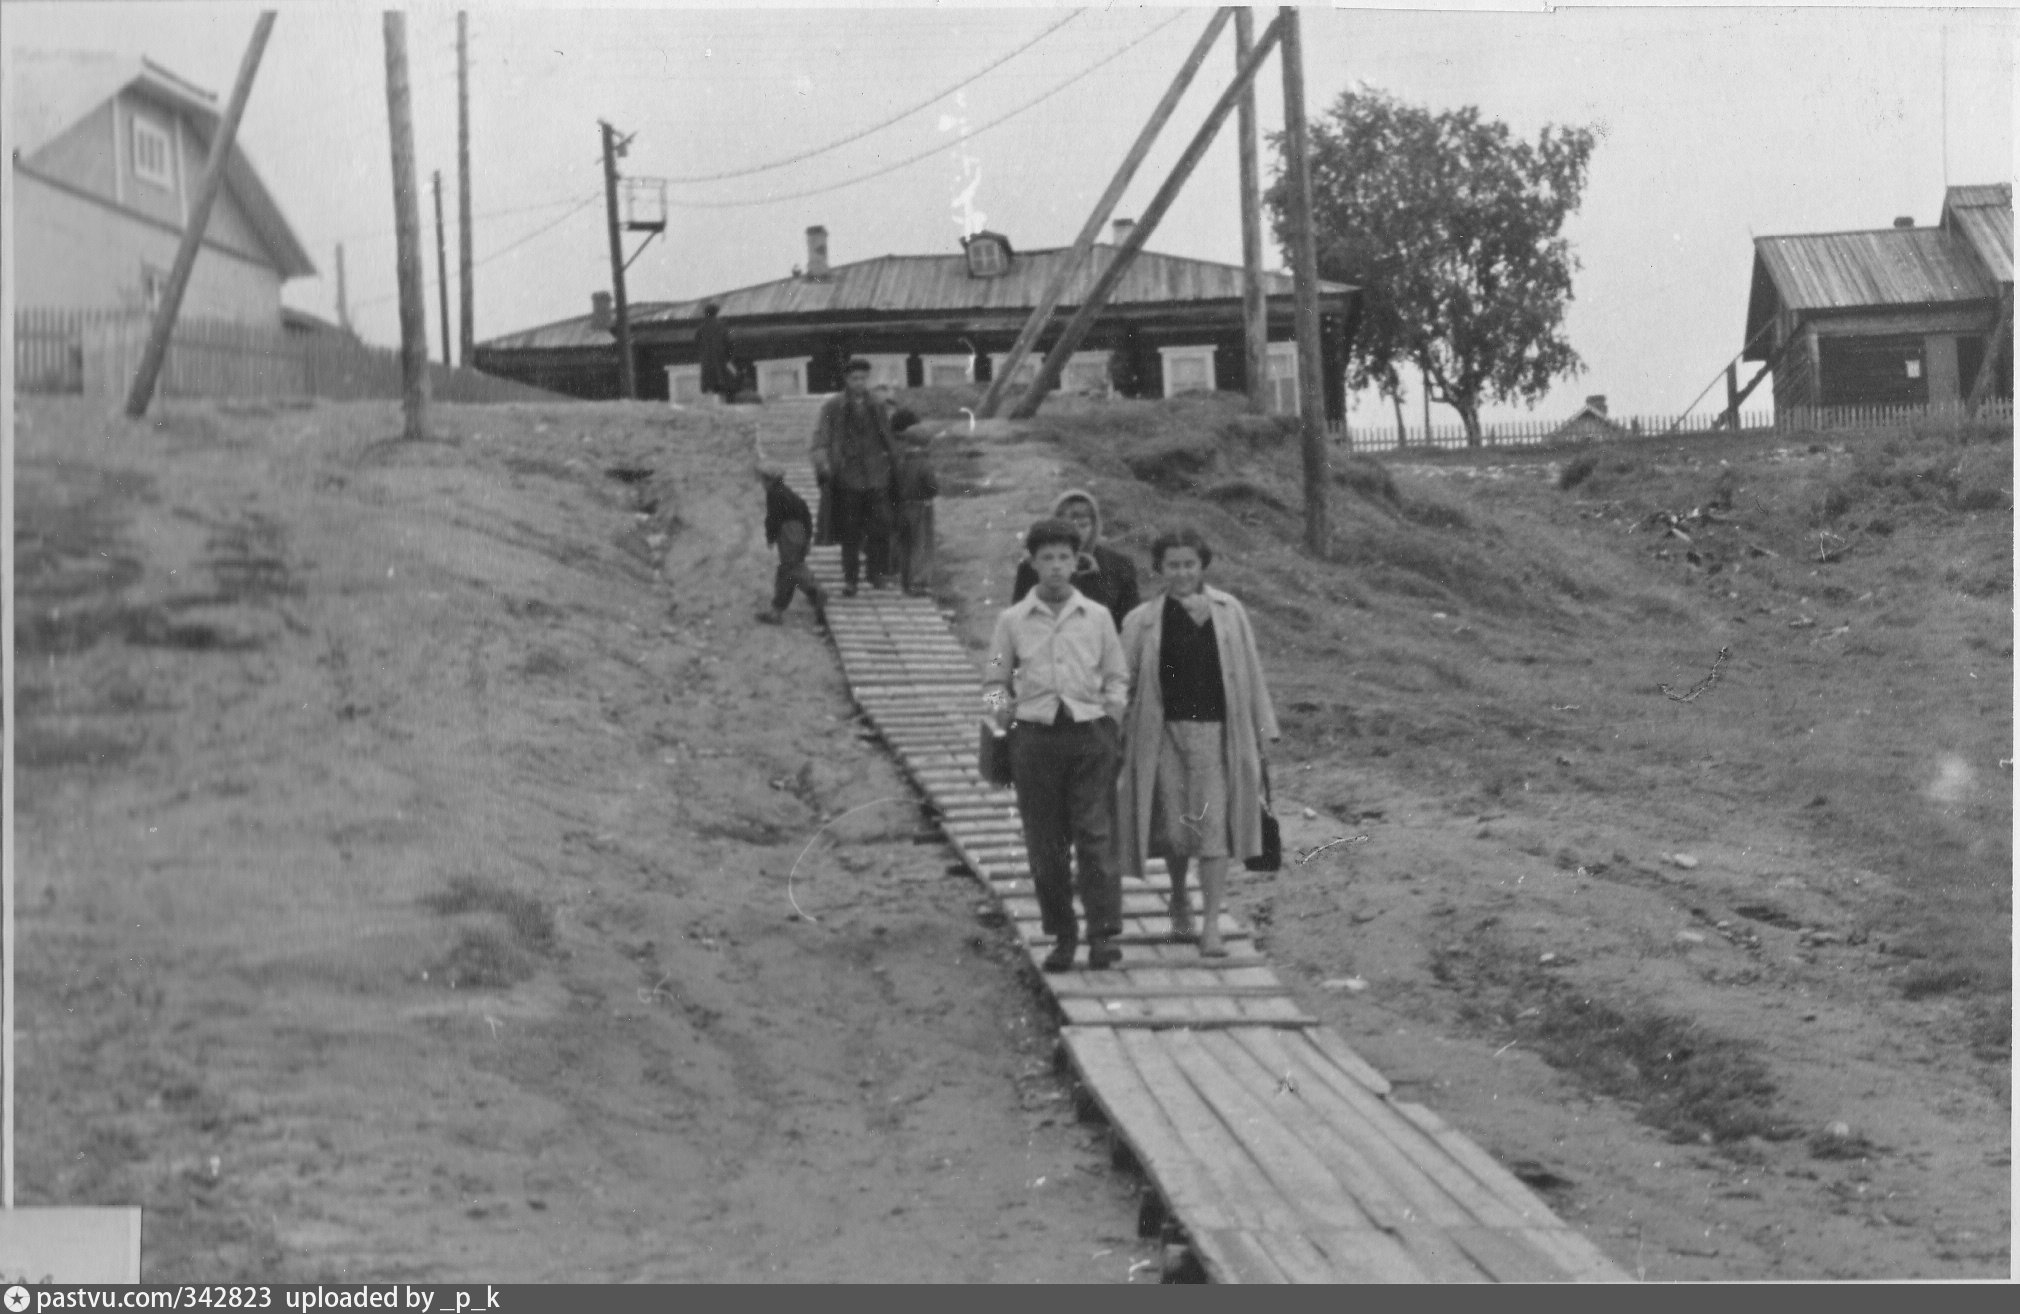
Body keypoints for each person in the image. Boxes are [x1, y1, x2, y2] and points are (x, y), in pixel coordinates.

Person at [1115, 527, 1279, 957]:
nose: (1182, 572)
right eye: (1173, 565)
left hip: (1218, 736)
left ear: (1202, 565)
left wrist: (1264, 734)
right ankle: (1178, 897)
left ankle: (1210, 924)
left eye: (1190, 564)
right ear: (1160, 569)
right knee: (1173, 826)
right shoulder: (1142, 620)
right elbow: (1121, 682)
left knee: (1213, 830)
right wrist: (1112, 730)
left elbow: (1251, 673)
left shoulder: (1230, 612)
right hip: (1162, 734)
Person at [984, 518, 1130, 973]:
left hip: (1090, 736)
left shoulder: (1098, 617)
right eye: (1046, 558)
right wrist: (1000, 710)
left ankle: (1102, 935)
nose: (1056, 567)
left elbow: (1117, 674)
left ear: (1077, 561)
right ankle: (1062, 936)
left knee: (1095, 836)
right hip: (1035, 739)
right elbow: (992, 676)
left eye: (1064, 557)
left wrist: (1112, 715)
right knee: (1045, 844)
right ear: (1032, 563)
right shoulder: (1010, 622)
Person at [809, 358, 897, 595]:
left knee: (880, 527)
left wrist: (895, 465)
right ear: (846, 380)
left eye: (863, 378)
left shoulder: (877, 405)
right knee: (850, 532)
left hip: (876, 476)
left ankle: (876, 574)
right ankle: (851, 580)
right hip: (847, 478)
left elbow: (888, 438)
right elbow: (821, 440)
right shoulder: (833, 407)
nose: (859, 383)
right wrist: (824, 464)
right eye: (854, 378)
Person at [1011, 488, 1141, 631]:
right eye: (1067, 525)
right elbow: (1018, 621)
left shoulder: (1119, 566)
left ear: (1094, 525)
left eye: (1083, 525)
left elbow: (1130, 623)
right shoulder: (1032, 567)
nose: (1076, 532)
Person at [755, 460, 827, 625]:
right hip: (799, 532)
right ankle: (778, 610)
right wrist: (807, 536)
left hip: (789, 535)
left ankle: (815, 591)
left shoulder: (774, 495)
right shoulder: (789, 493)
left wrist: (770, 537)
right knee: (790, 570)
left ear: (769, 480)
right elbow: (805, 512)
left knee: (789, 570)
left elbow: (773, 519)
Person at [888, 408, 939, 597]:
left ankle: (905, 581)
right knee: (921, 544)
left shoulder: (900, 462)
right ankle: (919, 582)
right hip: (922, 508)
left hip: (902, 506)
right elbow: (933, 487)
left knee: (905, 545)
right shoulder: (924, 463)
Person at [695, 304, 737, 402]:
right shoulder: (723, 326)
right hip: (720, 360)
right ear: (716, 313)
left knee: (709, 385)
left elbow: (697, 342)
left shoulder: (701, 328)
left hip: (706, 361)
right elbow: (730, 342)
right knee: (722, 385)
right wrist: (729, 357)